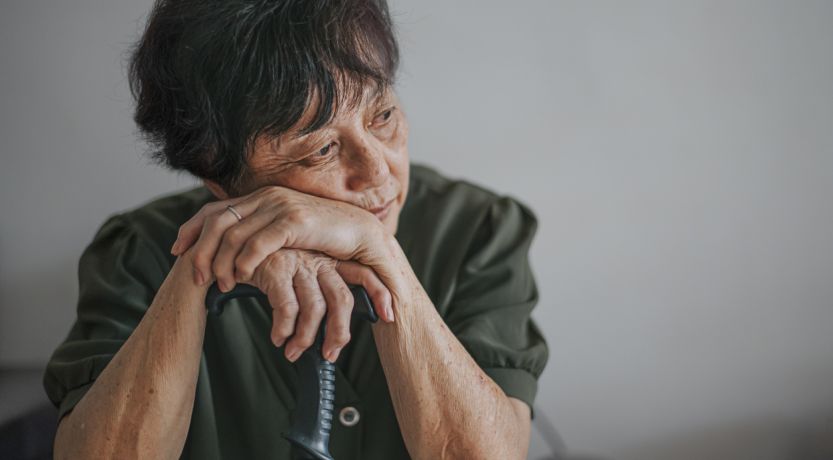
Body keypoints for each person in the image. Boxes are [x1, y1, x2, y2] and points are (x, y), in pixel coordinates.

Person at [43, 0, 549, 458]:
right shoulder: (138, 253)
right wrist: (203, 263)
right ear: (221, 180)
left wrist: (378, 251)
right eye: (321, 150)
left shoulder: (479, 230)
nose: (378, 173)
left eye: (384, 115)